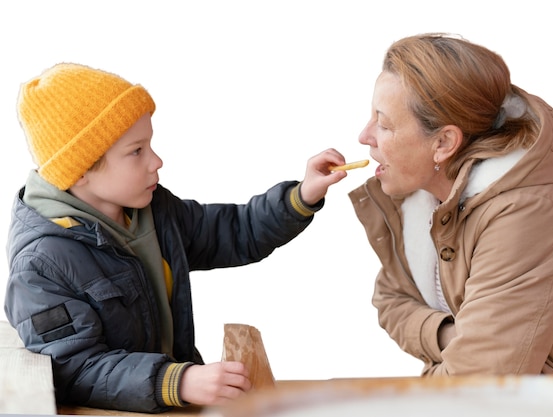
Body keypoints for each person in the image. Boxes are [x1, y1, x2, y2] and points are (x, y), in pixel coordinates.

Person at [4, 63, 351, 413]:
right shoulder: (40, 265)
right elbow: (75, 369)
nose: (157, 161)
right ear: (79, 171)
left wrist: (302, 195)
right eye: (136, 151)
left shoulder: (154, 210)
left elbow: (234, 231)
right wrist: (177, 381)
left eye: (150, 145)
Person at [349, 33, 553, 377]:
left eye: (384, 124)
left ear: (444, 143)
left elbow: (475, 385)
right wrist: (448, 334)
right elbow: (391, 298)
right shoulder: (423, 198)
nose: (364, 135)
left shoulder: (526, 215)